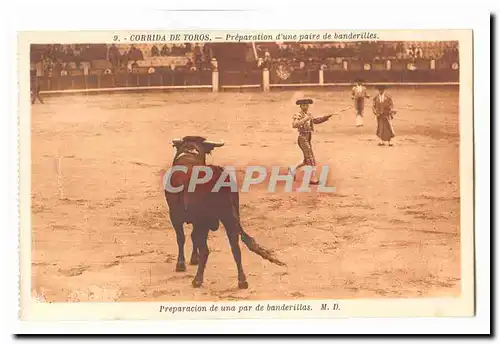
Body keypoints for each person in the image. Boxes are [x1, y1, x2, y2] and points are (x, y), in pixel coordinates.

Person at [290, 98, 333, 184]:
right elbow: (294, 125)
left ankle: (292, 169)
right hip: (302, 138)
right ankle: (313, 178)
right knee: (311, 158)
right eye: (303, 105)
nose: (305, 106)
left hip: (308, 137)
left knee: (307, 160)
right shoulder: (298, 114)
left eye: (306, 105)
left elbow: (315, 121)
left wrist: (326, 117)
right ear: (301, 106)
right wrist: (305, 119)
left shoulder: (308, 114)